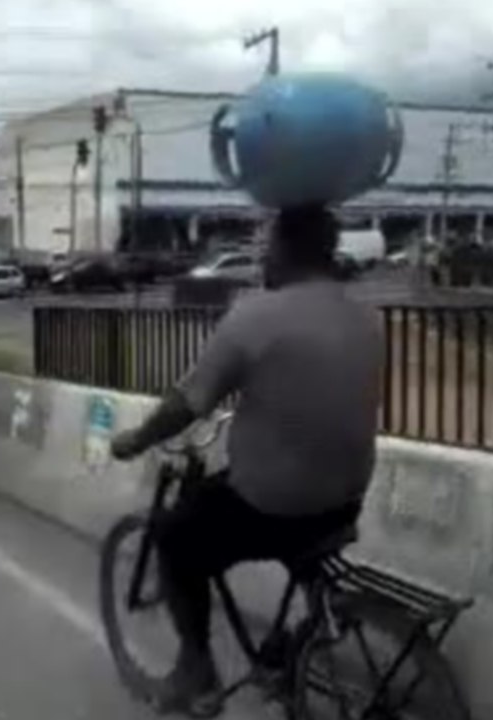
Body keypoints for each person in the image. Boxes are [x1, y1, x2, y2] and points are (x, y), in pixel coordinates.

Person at [110, 204, 383, 717]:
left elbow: (188, 405)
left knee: (176, 539)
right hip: (346, 499)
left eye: (267, 242)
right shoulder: (364, 315)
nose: (262, 253)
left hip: (272, 506)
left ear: (286, 248)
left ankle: (197, 670)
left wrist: (137, 439)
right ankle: (300, 643)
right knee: (300, 542)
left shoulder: (257, 315)